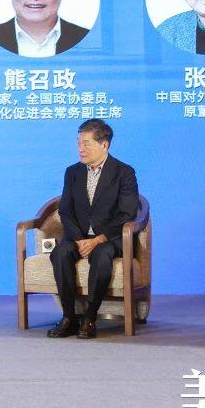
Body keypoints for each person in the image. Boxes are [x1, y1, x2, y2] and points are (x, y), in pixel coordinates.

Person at [47, 119, 140, 340]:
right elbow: (65, 210)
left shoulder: (124, 172)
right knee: (60, 253)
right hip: (78, 237)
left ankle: (89, 318)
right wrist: (79, 239)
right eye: (78, 143)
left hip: (110, 238)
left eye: (86, 143)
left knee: (102, 255)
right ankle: (69, 317)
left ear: (104, 145)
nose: (80, 148)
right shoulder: (73, 172)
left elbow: (127, 214)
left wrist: (98, 239)